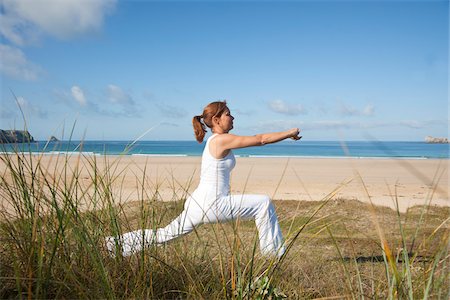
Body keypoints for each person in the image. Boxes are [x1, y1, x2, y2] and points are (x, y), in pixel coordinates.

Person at [106, 101, 301, 258]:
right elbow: (261, 139)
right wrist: (289, 133)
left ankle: (112, 246)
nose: (232, 117)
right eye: (228, 114)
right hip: (212, 204)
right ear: (216, 119)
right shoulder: (221, 140)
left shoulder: (214, 141)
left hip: (198, 202)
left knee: (163, 235)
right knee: (263, 204)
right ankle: (273, 257)